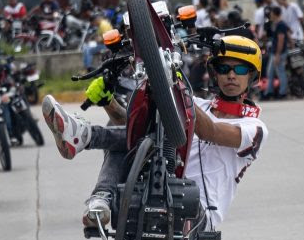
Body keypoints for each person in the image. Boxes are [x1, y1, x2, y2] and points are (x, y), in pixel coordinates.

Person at [42, 35, 267, 230]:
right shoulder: (199, 104)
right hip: (160, 186)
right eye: (223, 68)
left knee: (163, 129)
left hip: (197, 209)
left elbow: (212, 131)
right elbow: (134, 130)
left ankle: (86, 136)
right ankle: (102, 198)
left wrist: (175, 87)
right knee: (132, 130)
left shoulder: (254, 128)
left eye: (239, 69)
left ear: (252, 77)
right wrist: (107, 101)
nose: (231, 75)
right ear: (214, 73)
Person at [265, 7, 290, 99]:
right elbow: (288, 34)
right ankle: (269, 92)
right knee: (270, 72)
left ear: (275, 14)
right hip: (275, 52)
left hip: (278, 53)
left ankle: (282, 92)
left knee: (280, 72)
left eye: (271, 13)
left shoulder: (280, 25)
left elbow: (281, 40)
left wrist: (278, 55)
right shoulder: (278, 24)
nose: (270, 15)